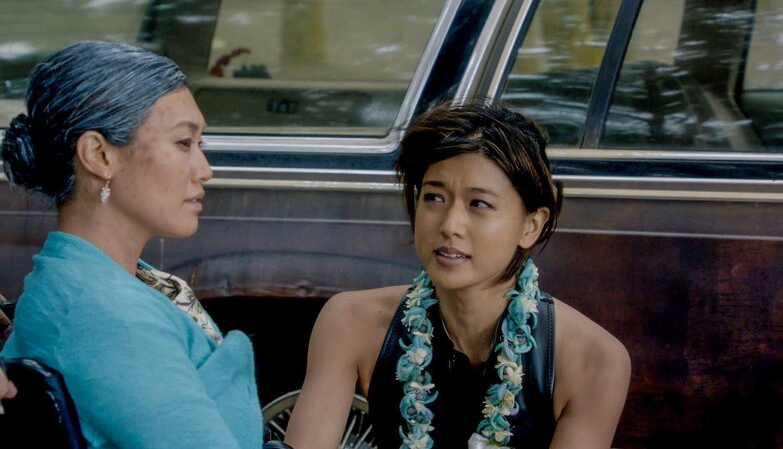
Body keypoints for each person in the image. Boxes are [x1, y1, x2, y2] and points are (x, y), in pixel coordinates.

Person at [284, 102, 631, 448]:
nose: (450, 225)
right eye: (434, 197)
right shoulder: (349, 322)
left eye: (478, 204)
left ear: (531, 225)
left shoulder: (594, 360)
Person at [0, 41, 262, 448]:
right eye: (184, 143)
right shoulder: (105, 315)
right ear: (100, 155)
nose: (205, 169)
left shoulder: (81, 285)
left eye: (201, 145)